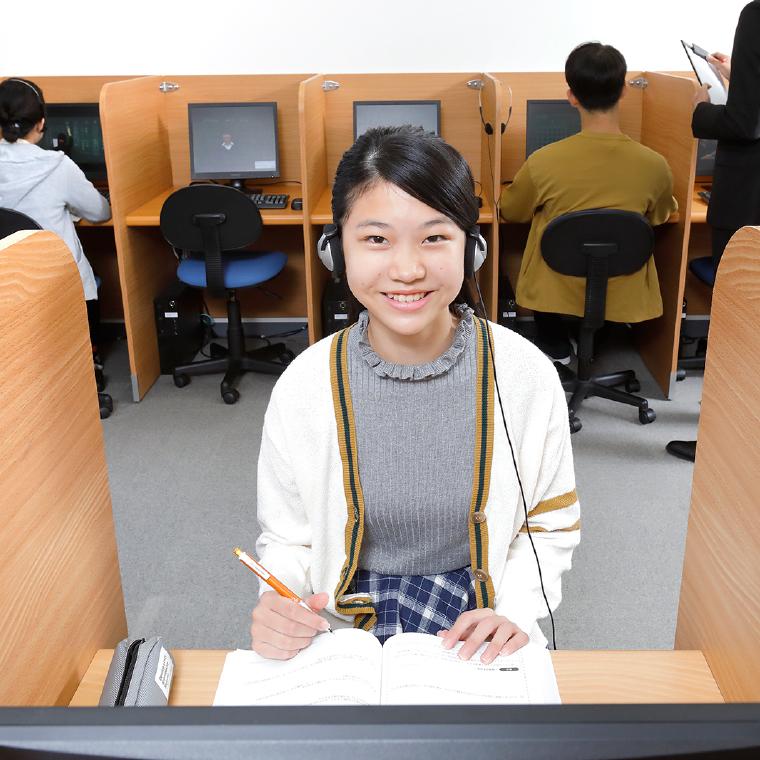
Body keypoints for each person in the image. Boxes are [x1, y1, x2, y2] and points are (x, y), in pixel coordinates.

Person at [250, 126, 580, 664]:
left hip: (483, 620)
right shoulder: (305, 384)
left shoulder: (524, 374)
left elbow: (550, 522)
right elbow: (287, 539)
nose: (407, 269)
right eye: (376, 239)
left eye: (434, 237)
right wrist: (278, 599)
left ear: (472, 251)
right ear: (336, 251)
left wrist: (516, 610)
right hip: (345, 624)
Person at [500, 42, 678, 364]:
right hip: (622, 287)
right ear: (624, 91)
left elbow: (511, 212)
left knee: (544, 233)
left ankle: (555, 346)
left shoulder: (543, 162)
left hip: (555, 286)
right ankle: (597, 345)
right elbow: (662, 215)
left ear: (571, 95)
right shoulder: (655, 165)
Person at [667, 1, 760, 464]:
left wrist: (702, 109)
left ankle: (726, 445)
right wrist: (737, 84)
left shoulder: (757, 15)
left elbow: (746, 123)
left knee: (741, 323)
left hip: (749, 198)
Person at [0, 78, 110, 306]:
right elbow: (101, 213)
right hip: (59, 288)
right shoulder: (58, 165)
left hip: (7, 288)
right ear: (41, 122)